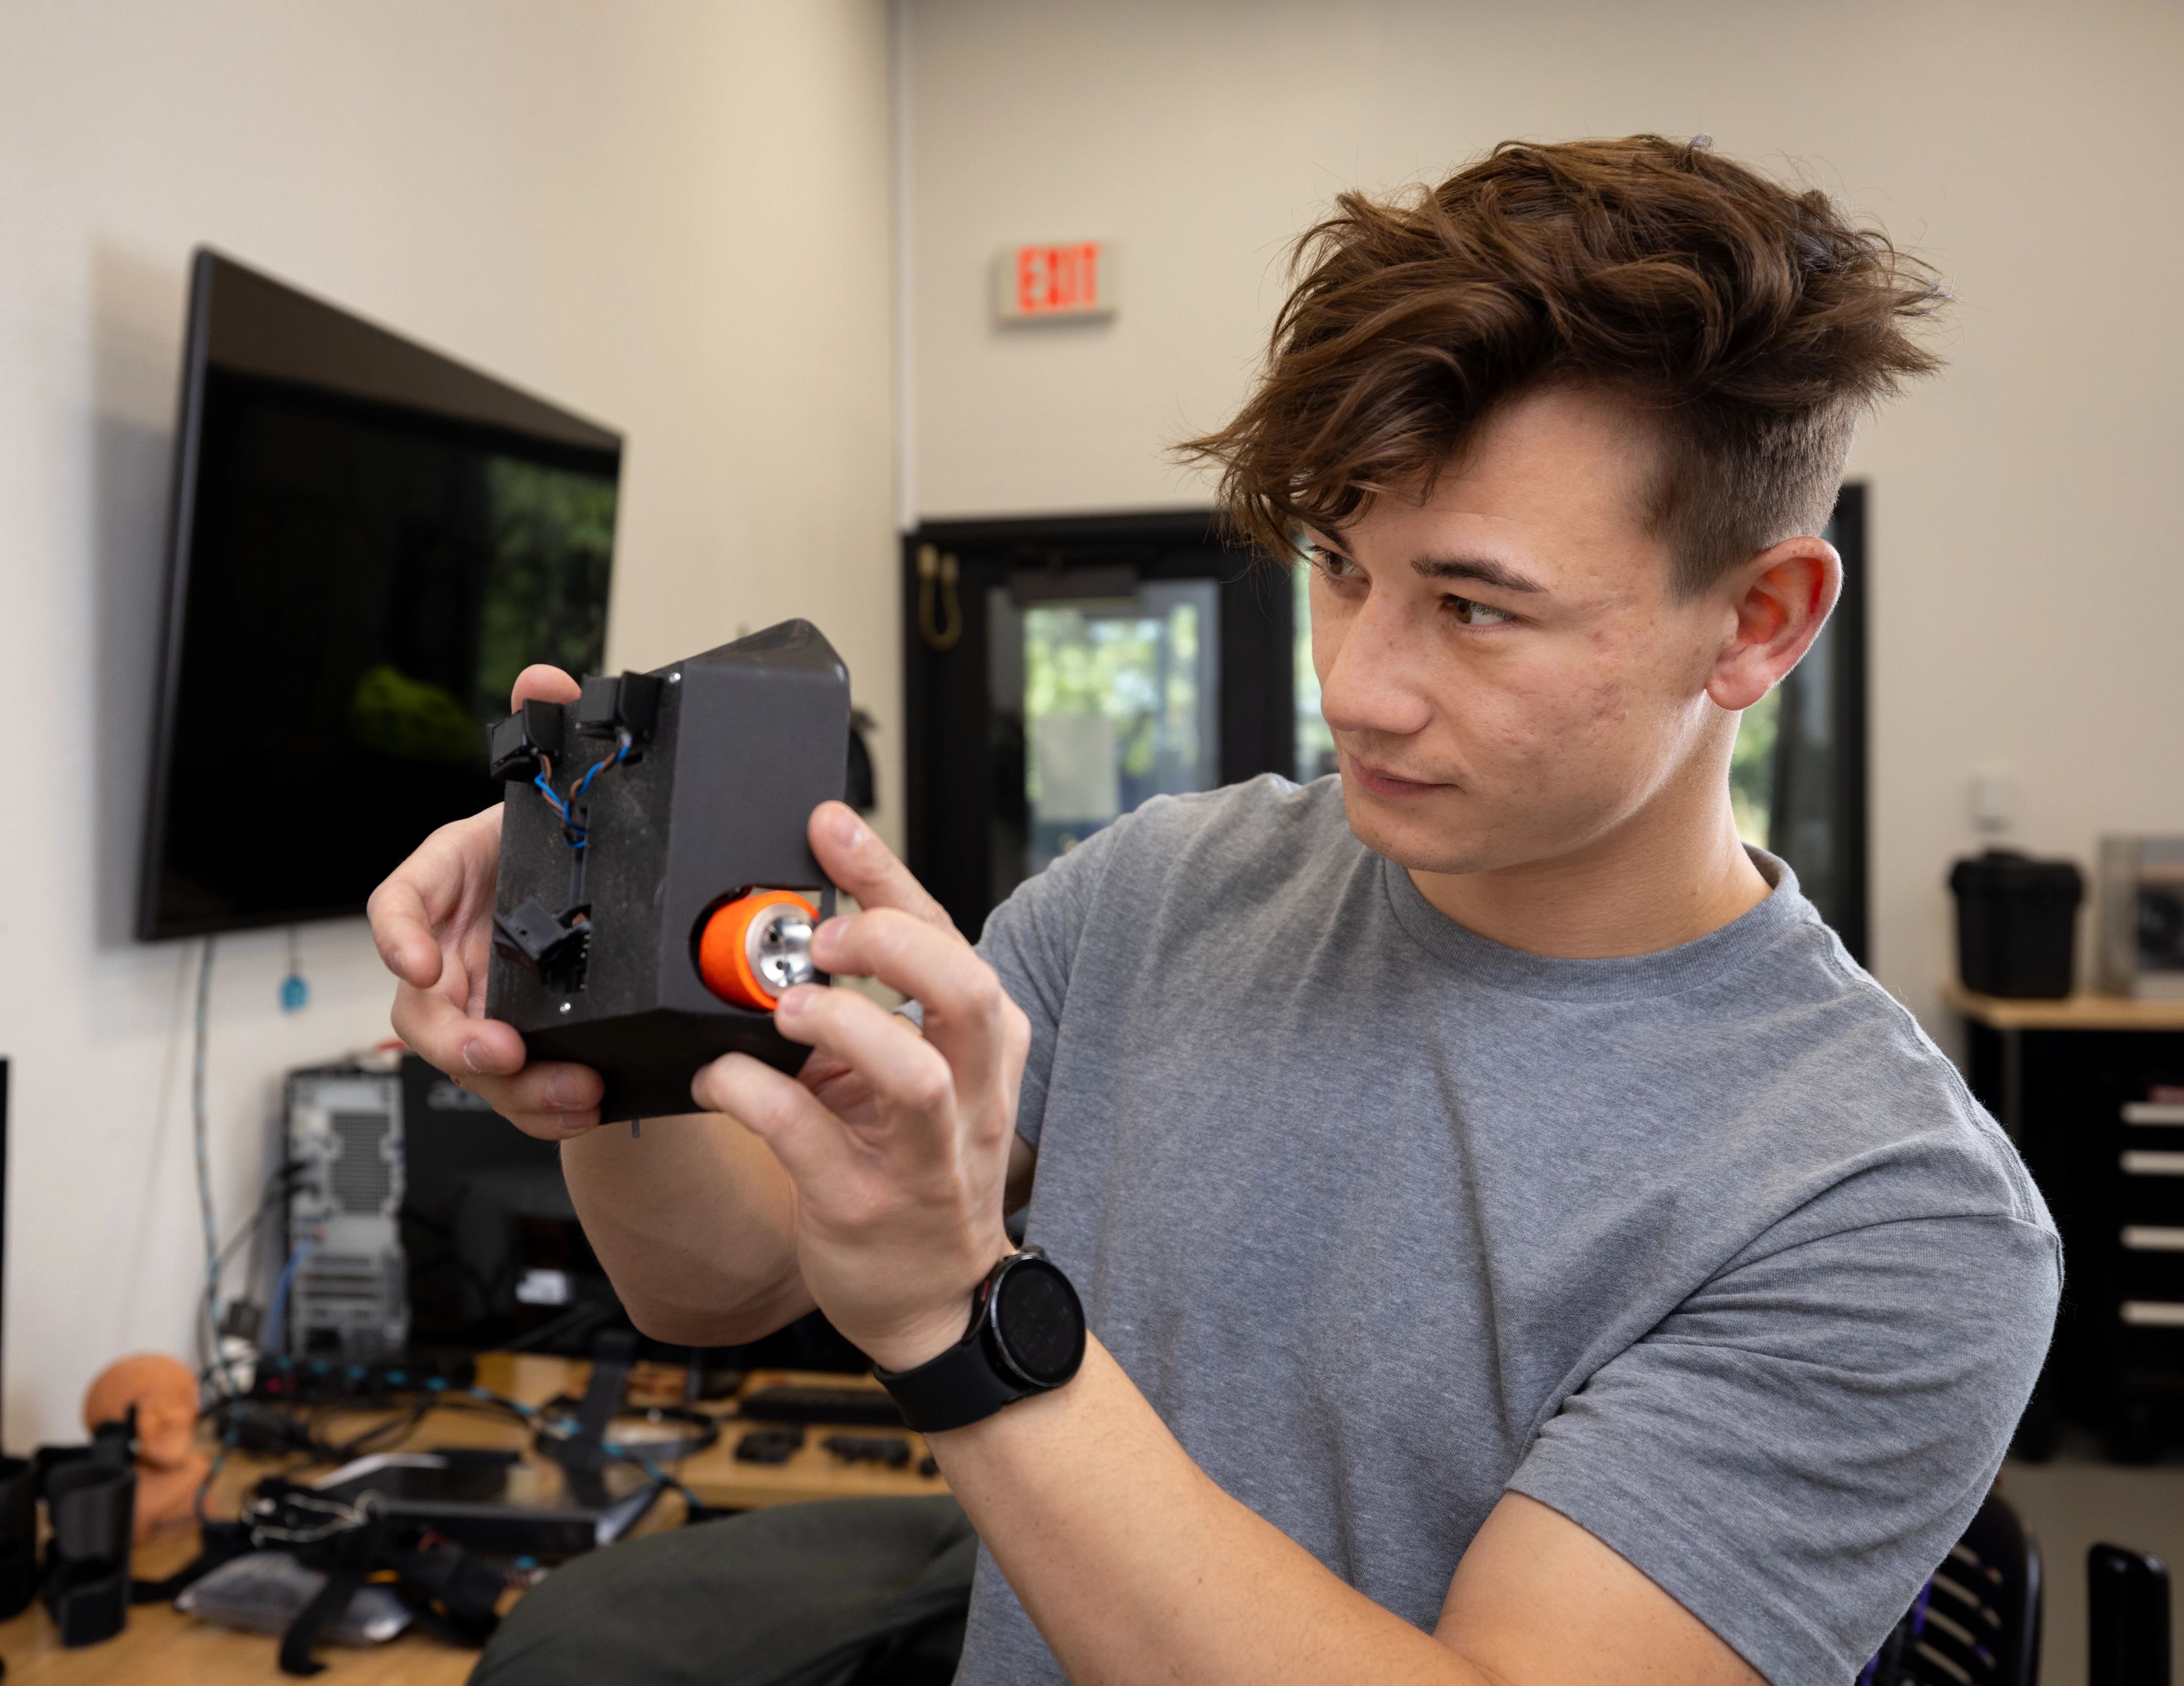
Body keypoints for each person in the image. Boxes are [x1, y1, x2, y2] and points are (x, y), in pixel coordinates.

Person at [369, 136, 2057, 1686]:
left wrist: (962, 1324)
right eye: (1340, 565)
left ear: (1759, 622)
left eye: (1474, 608)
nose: (1358, 687)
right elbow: (718, 1282)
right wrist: (599, 1014)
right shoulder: (1165, 889)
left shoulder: (1883, 1210)